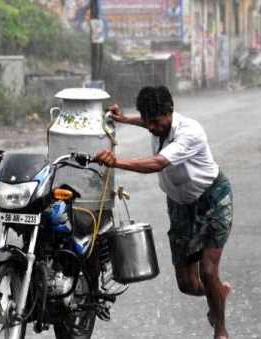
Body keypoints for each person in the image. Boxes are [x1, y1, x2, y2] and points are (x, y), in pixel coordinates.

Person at [92, 85, 233, 339]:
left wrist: (117, 161)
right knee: (188, 285)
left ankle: (220, 329)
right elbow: (146, 122)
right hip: (179, 204)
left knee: (208, 271)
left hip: (212, 199)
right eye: (147, 122)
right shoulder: (154, 123)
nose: (152, 128)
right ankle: (217, 294)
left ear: (170, 112)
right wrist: (125, 119)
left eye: (155, 122)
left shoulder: (190, 132)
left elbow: (158, 163)